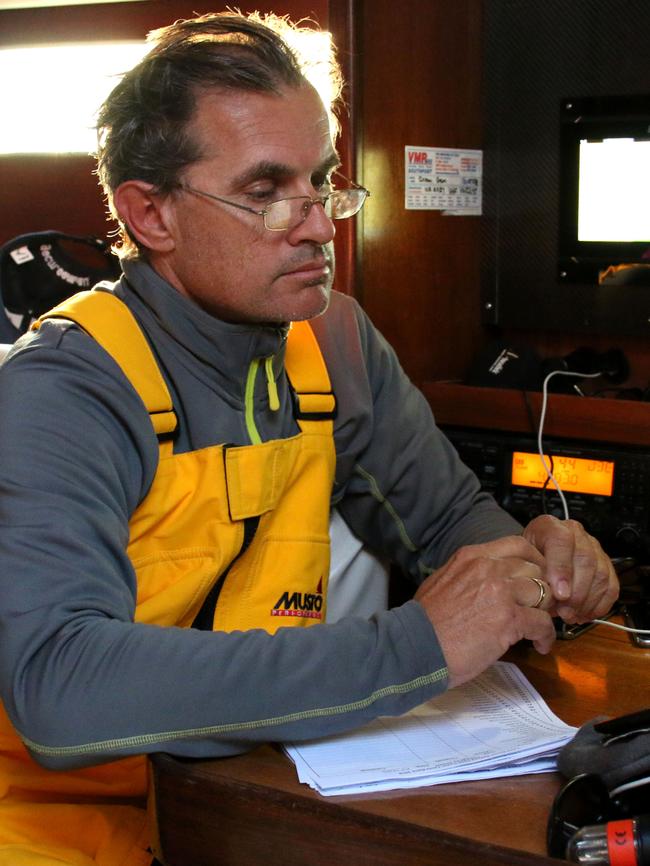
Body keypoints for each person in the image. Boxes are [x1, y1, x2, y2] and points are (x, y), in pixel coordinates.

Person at [0, 11, 617, 866]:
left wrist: (534, 568)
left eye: (322, 182)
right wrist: (418, 645)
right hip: (60, 830)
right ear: (151, 215)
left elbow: (448, 525)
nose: (321, 225)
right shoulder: (63, 389)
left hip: (251, 804)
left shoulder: (334, 341)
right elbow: (61, 691)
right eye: (264, 192)